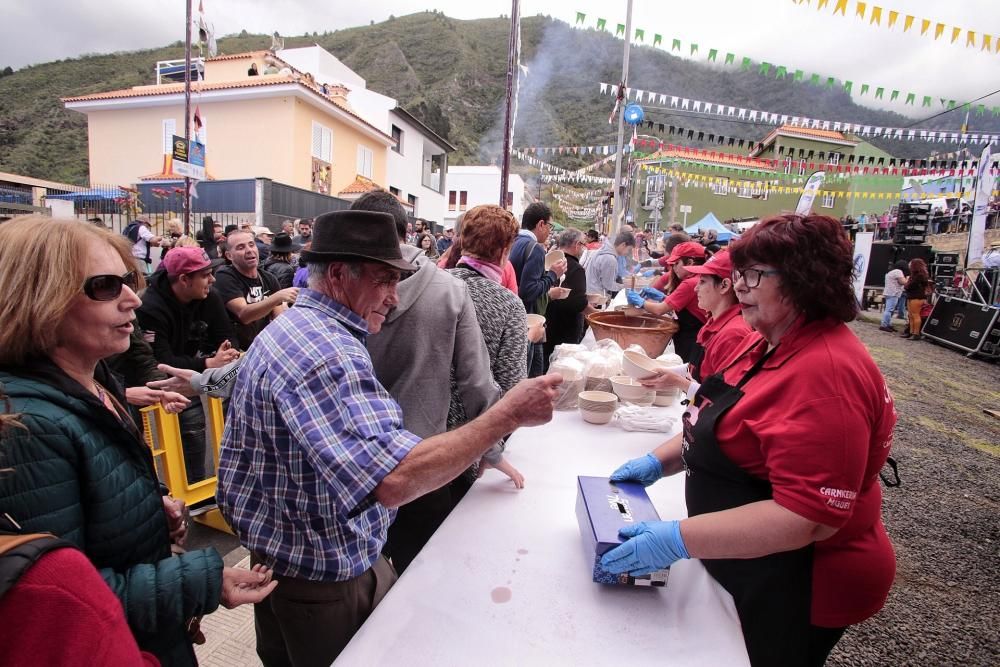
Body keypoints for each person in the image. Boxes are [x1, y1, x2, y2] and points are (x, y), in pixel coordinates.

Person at [216, 209, 561, 666]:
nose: (395, 298)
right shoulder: (327, 353)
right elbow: (394, 480)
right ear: (338, 274)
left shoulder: (298, 327)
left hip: (294, 556)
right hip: (319, 571)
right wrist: (505, 416)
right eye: (384, 281)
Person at [606, 213, 896, 666]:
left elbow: (807, 517)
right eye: (738, 274)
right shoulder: (766, 339)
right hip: (748, 561)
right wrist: (658, 462)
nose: (738, 286)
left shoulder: (828, 374)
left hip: (802, 580)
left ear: (805, 280)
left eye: (754, 275)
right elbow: (716, 413)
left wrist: (678, 538)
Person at [0, 217, 278, 667]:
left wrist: (150, 512)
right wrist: (200, 582)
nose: (133, 299)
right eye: (107, 286)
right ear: (39, 297)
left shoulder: (97, 380)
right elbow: (63, 604)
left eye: (129, 280)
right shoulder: (25, 429)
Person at [358, 192, 514, 573]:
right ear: (407, 230)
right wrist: (492, 450)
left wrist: (205, 381)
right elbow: (478, 382)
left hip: (357, 463)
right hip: (424, 463)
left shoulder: (345, 289)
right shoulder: (448, 290)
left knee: (365, 578)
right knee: (422, 578)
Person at [446, 205, 533, 501]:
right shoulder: (508, 305)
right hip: (467, 443)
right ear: (505, 249)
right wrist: (492, 450)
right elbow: (512, 389)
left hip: (417, 436)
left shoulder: (433, 285)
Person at [136, 246, 240, 480]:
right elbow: (160, 360)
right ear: (184, 280)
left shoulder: (209, 296)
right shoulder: (150, 307)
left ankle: (206, 487)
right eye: (205, 275)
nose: (212, 280)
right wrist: (207, 363)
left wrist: (226, 352)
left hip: (195, 368)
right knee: (187, 431)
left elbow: (227, 334)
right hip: (156, 380)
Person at [637, 250, 750, 393]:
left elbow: (722, 397)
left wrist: (677, 382)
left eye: (702, 282)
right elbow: (699, 367)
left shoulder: (733, 334)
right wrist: (664, 371)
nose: (696, 289)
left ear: (724, 286)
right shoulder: (712, 323)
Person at [213, 230, 298, 350]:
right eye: (241, 247)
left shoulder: (269, 278)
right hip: (234, 353)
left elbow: (279, 320)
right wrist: (277, 297)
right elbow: (244, 315)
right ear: (229, 255)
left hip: (259, 349)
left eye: (251, 245)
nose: (249, 250)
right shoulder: (225, 275)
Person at [509, 203, 567, 377]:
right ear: (540, 224)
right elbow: (529, 290)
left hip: (514, 318)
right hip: (529, 320)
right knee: (532, 376)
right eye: (549, 226)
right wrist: (553, 275)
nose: (549, 231)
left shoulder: (514, 242)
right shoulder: (535, 248)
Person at [626, 241, 709, 362]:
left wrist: (640, 301)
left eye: (676, 264)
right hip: (692, 334)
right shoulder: (697, 278)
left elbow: (659, 310)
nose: (673, 269)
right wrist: (663, 298)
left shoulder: (690, 283)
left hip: (693, 338)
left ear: (690, 262)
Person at [543, 229, 589, 364]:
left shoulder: (548, 261)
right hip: (566, 330)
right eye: (582, 245)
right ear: (576, 244)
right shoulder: (576, 268)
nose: (582, 249)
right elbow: (579, 303)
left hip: (546, 323)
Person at [585, 229, 635, 298]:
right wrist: (623, 286)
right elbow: (608, 285)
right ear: (623, 245)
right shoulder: (610, 259)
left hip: (592, 292)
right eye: (628, 249)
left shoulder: (605, 250)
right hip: (596, 297)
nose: (627, 253)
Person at [901, 257, 931, 340]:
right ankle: (911, 332)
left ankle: (916, 333)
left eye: (911, 264)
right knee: (910, 315)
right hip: (912, 296)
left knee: (915, 315)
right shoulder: (915, 275)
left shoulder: (919, 275)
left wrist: (907, 284)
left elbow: (910, 285)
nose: (909, 265)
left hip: (917, 297)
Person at [879, 259, 908, 332]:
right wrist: (907, 279)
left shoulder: (892, 271)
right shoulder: (899, 272)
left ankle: (888, 324)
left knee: (889, 309)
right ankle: (884, 324)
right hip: (893, 293)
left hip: (889, 292)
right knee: (889, 310)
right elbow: (903, 282)